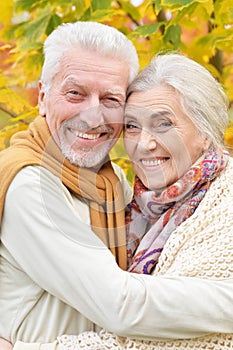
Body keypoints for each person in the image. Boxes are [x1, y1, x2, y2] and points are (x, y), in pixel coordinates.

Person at [0, 23, 233, 349]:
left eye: (110, 99)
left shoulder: (115, 185)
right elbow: (119, 305)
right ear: (42, 97)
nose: (93, 117)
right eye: (75, 94)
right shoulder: (28, 184)